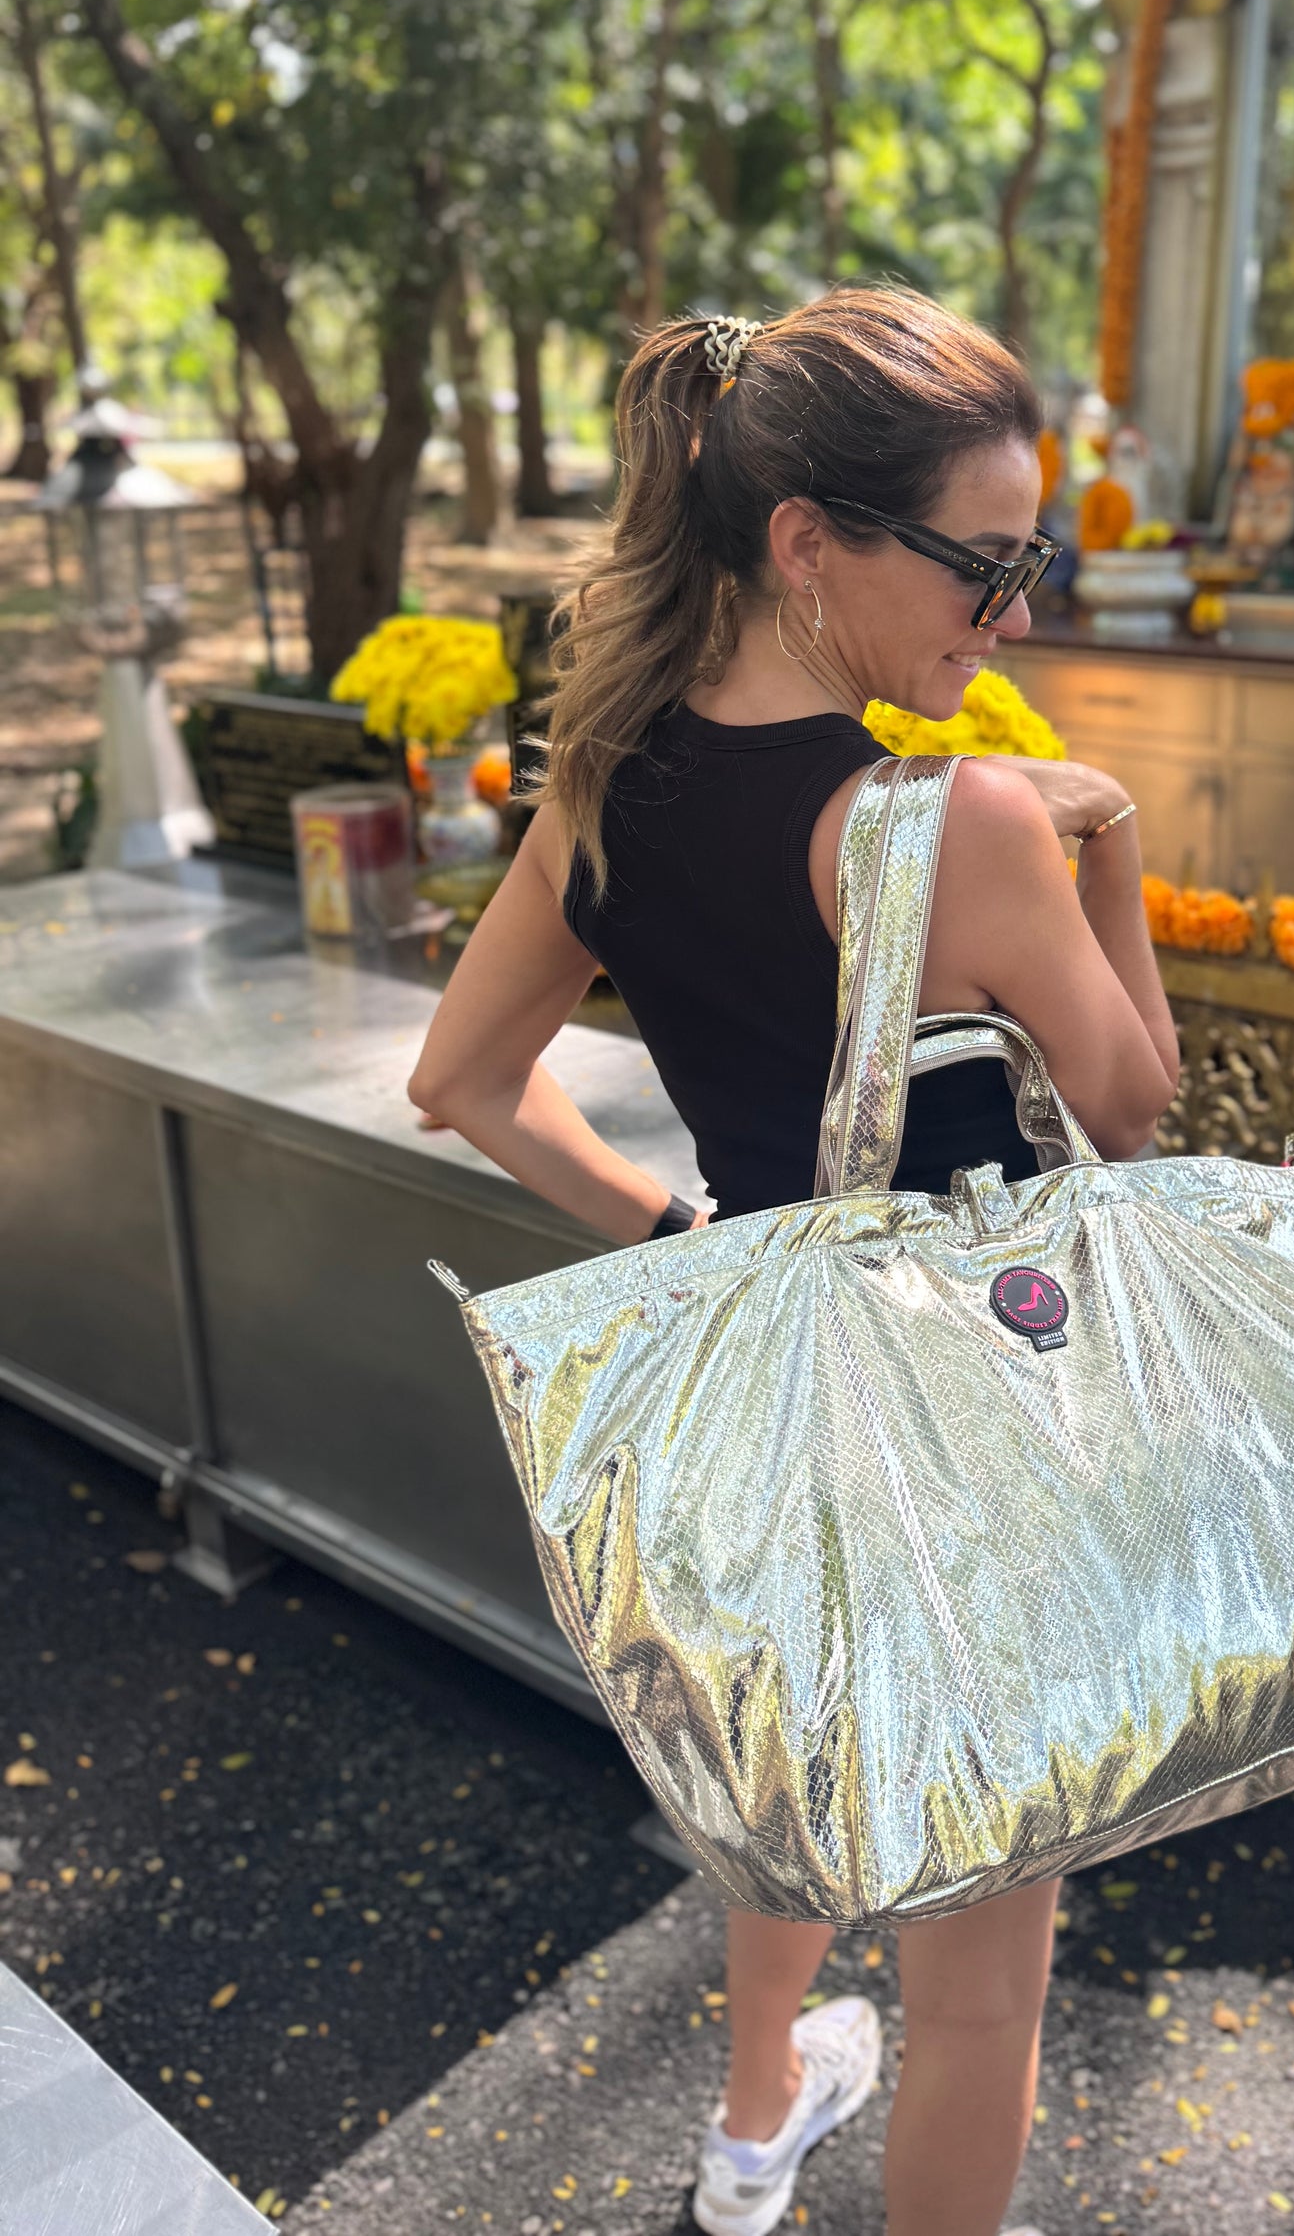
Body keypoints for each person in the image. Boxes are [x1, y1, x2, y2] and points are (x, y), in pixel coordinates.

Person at [408, 289, 1182, 2236]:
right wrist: (1109, 860)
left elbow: (466, 1080)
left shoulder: (607, 779)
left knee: (799, 1768)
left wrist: (684, 1230)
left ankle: (758, 2117)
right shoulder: (967, 825)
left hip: (775, 1409)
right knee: (980, 1997)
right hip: (978, 1430)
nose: (1010, 615)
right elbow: (1134, 1104)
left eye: (1032, 562)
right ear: (805, 540)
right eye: (983, 565)